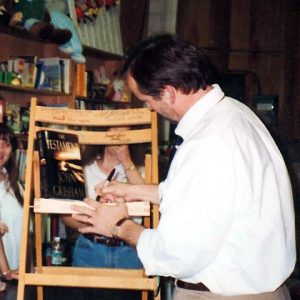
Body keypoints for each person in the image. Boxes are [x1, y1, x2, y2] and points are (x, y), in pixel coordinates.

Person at [72, 33, 296, 300]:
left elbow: (176, 255)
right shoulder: (234, 114)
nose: (150, 109)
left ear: (168, 92)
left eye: (146, 101)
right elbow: (212, 198)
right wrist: (136, 192)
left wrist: (118, 225)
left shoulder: (208, 143)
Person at [61, 126, 144, 299]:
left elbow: (151, 206)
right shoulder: (83, 168)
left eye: (125, 133)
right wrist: (92, 224)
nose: (118, 138)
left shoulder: (139, 169)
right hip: (90, 248)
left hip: (129, 250)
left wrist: (126, 161)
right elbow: (64, 214)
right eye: (114, 131)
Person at [0, 125, 23, 290]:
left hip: (16, 275)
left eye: (6, 144)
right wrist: (5, 271)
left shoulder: (14, 184)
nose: (1, 149)